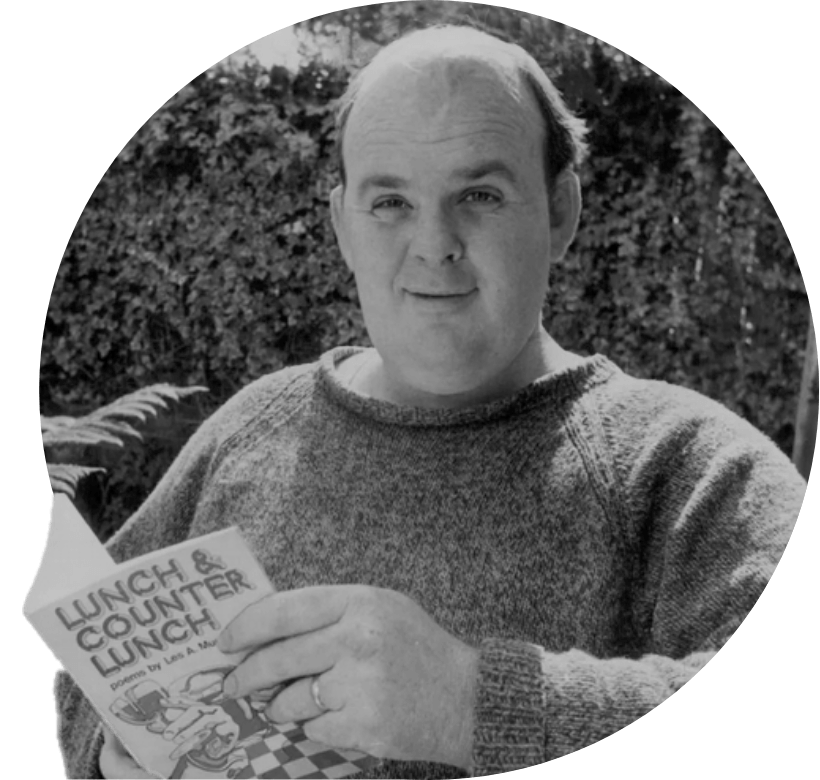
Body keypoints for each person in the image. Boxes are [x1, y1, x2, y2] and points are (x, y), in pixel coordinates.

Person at [53, 24, 805, 780]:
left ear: (560, 211)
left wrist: (473, 706)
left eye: (479, 194)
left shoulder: (692, 471)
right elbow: (78, 673)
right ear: (342, 226)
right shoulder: (249, 429)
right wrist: (115, 755)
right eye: (389, 202)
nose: (434, 243)